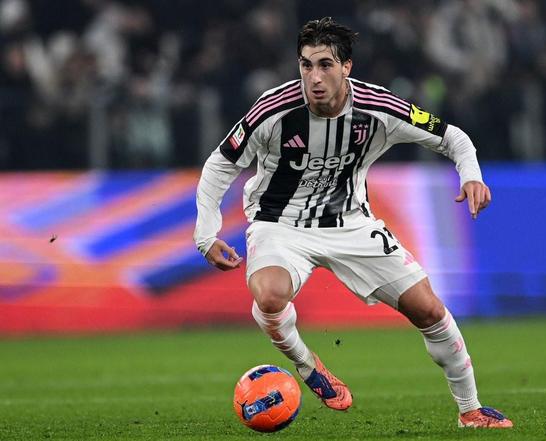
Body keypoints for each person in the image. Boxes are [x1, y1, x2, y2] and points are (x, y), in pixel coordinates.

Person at [194, 17, 513, 429]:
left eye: (325, 65)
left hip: (351, 223)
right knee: (270, 296)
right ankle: (308, 366)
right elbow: (221, 163)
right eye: (306, 65)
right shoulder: (273, 109)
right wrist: (206, 235)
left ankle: (471, 410)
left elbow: (453, 137)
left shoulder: (380, 108)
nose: (314, 77)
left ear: (346, 67)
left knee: (430, 310)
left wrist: (471, 175)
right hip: (279, 222)